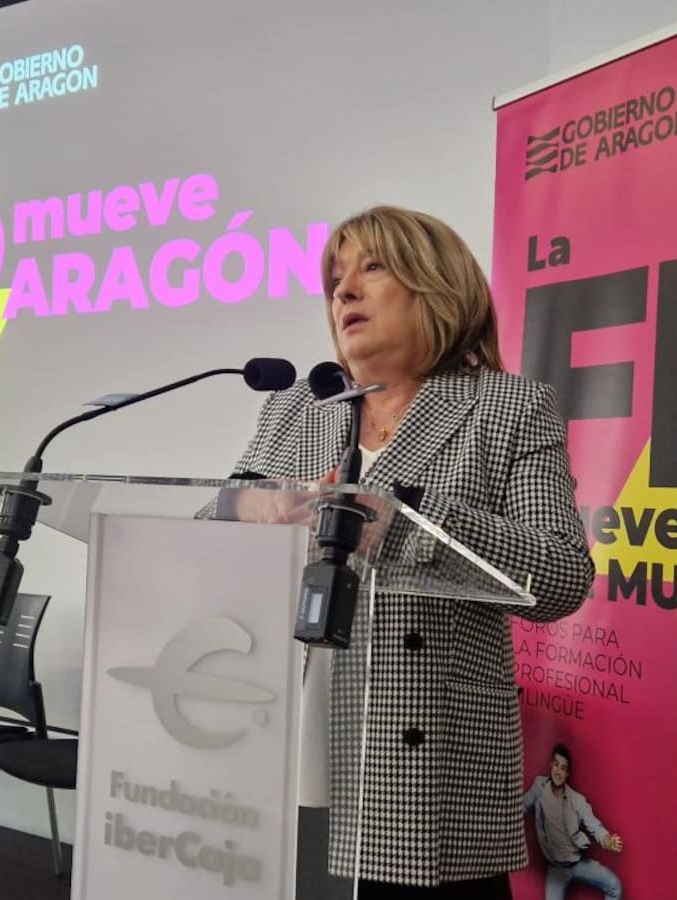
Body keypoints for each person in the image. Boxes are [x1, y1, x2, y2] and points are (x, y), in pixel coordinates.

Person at [226, 206, 594, 898]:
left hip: (426, 772)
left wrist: (407, 527)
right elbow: (210, 524)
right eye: (335, 278)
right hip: (280, 738)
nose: (344, 290)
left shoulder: (507, 408)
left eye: (371, 267)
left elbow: (561, 575)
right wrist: (255, 510)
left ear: (435, 284)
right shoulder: (298, 407)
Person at [523, 744, 623, 900]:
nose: (558, 771)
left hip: (578, 863)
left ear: (567, 774)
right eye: (556, 765)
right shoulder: (539, 787)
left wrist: (608, 840)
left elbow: (595, 826)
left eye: (563, 768)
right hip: (556, 869)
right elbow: (521, 806)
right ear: (551, 765)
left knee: (614, 885)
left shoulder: (577, 800)